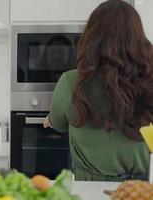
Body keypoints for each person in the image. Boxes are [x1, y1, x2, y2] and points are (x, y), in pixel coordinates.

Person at [44, 0, 153, 181]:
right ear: (138, 37)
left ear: (91, 37)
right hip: (141, 190)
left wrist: (50, 119)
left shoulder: (71, 82)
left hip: (88, 189)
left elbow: (57, 123)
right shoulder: (149, 81)